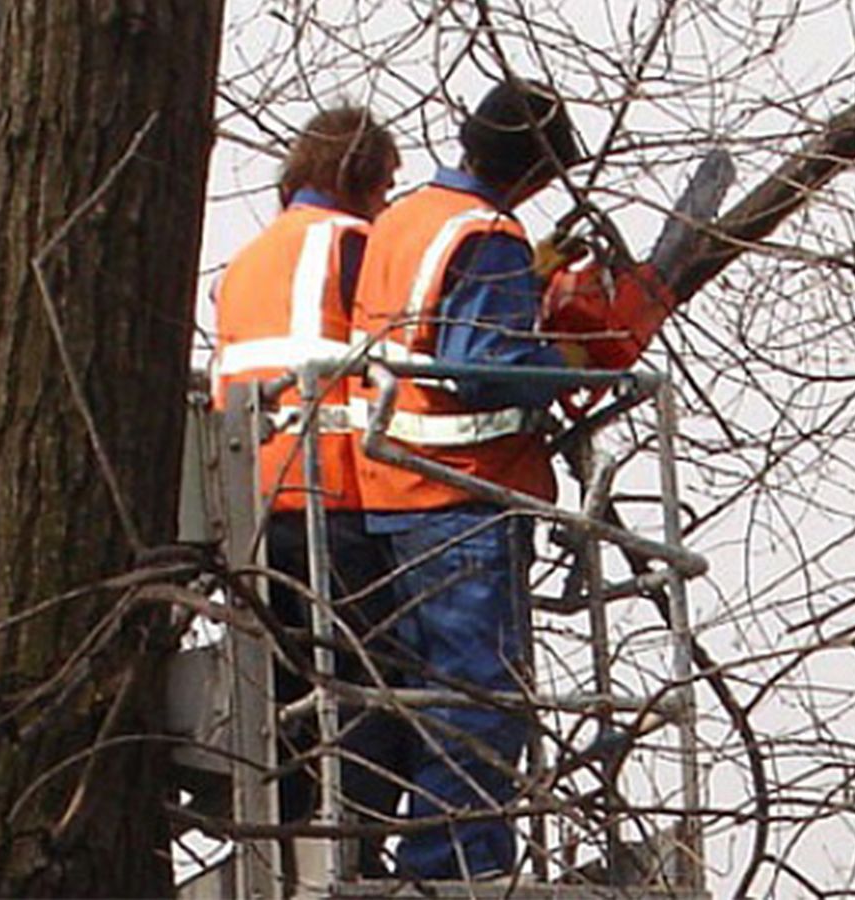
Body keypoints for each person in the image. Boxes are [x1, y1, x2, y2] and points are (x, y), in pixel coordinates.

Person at [351, 80, 676, 880]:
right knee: (483, 704)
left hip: (393, 493)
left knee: (424, 699)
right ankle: (455, 872)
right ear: (532, 169)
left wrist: (526, 282)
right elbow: (482, 368)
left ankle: (425, 861)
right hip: (462, 493)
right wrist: (567, 359)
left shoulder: (408, 218)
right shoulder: (484, 233)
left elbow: (424, 329)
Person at [211, 105, 407, 878]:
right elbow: (417, 345)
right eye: (385, 185)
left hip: (257, 504)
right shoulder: (355, 246)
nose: (388, 203)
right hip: (340, 493)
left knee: (287, 701)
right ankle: (356, 859)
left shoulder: (245, 264)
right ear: (357, 176)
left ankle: (295, 863)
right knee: (369, 687)